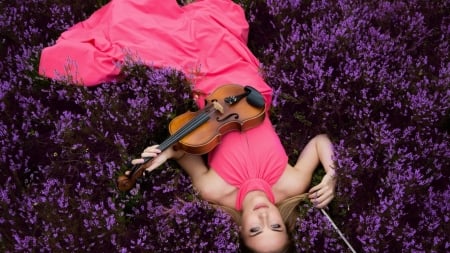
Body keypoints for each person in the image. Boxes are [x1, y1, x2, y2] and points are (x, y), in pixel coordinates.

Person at [39, 0, 337, 252]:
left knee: (142, 36)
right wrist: (334, 174)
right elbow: (320, 141)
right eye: (275, 226)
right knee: (210, 29)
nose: (262, 217)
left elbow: (187, 152)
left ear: (241, 232)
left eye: (255, 230)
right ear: (284, 222)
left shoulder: (215, 191)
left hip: (209, 92)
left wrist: (167, 153)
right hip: (248, 89)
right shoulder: (293, 183)